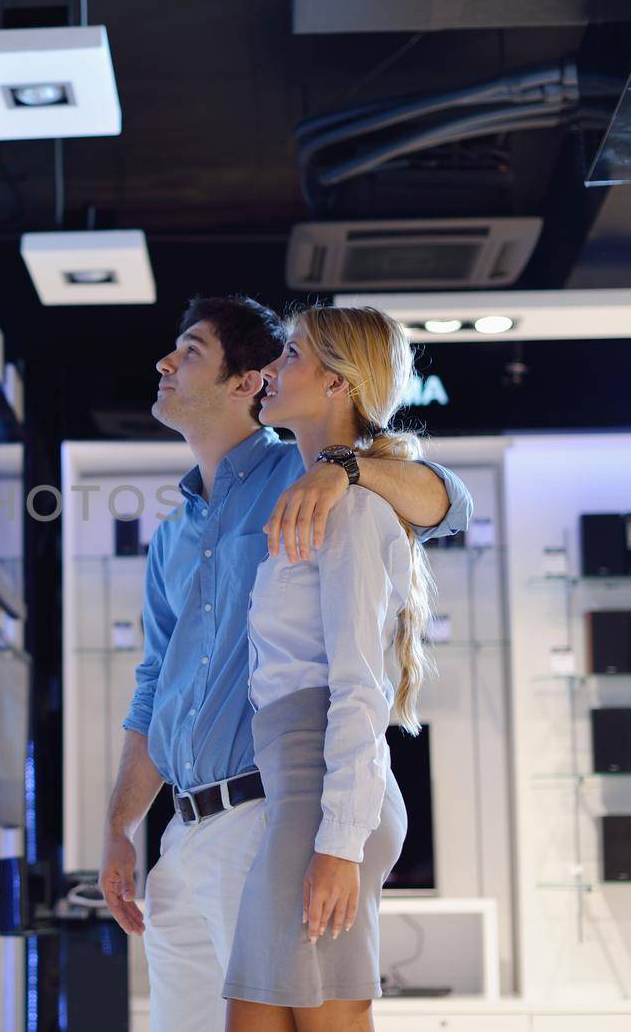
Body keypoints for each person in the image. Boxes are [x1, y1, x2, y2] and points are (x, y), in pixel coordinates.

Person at [96, 295, 471, 1032]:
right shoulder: (171, 538)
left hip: (270, 809)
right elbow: (153, 691)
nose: (164, 363)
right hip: (183, 831)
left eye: (189, 350)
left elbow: (447, 504)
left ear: (245, 383)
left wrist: (345, 470)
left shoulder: (302, 473)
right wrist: (120, 826)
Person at [223, 304, 435, 1031]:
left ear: (339, 383)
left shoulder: (353, 510)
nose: (272, 369)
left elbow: (358, 688)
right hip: (302, 797)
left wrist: (339, 846)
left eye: (291, 354)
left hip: (325, 804)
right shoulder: (318, 492)